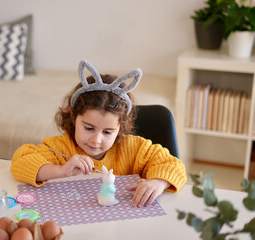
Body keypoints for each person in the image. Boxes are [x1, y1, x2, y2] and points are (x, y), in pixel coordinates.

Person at [11, 60, 187, 208]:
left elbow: (174, 165)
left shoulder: (135, 148)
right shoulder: (62, 147)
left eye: (108, 132)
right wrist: (60, 170)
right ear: (73, 116)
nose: (96, 140)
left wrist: (158, 182)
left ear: (121, 126)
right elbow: (20, 161)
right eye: (88, 128)